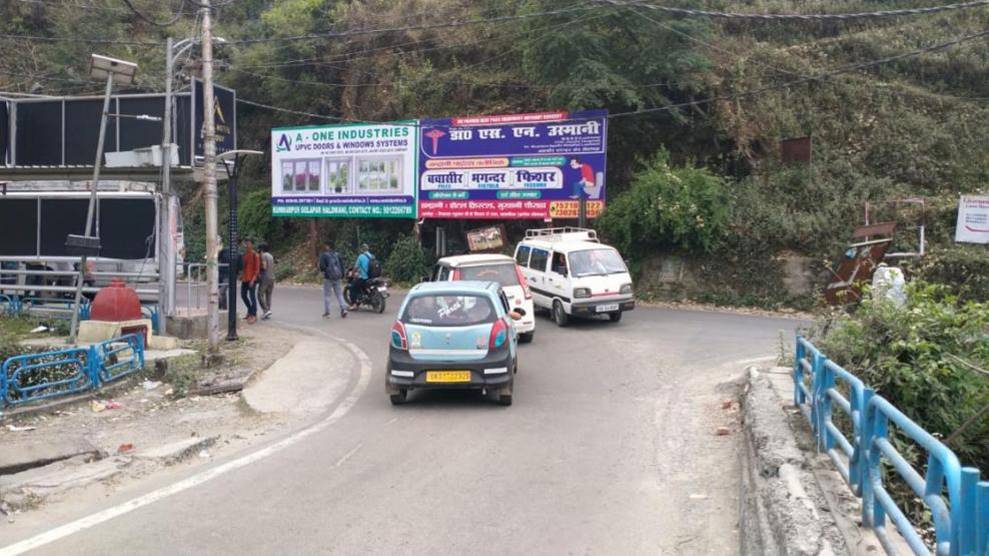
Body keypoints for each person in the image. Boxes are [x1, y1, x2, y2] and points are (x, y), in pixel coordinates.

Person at [318, 241, 348, 319]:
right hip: (337, 277)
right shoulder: (336, 254)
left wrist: (325, 271)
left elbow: (322, 267)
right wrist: (342, 275)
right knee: (339, 294)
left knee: (327, 295)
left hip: (328, 278)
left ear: (326, 246)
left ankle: (327, 313)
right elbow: (342, 265)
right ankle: (344, 309)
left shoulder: (324, 255)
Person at [240, 239, 260, 324]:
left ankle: (254, 315)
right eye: (246, 243)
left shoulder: (255, 255)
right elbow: (242, 267)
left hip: (252, 279)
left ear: (252, 245)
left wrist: (253, 279)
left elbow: (257, 269)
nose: (247, 245)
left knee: (252, 297)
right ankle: (250, 310)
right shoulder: (244, 255)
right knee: (243, 295)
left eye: (248, 243)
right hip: (244, 278)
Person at [348, 243, 374, 310]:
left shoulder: (361, 256)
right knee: (362, 286)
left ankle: (354, 304)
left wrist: (353, 274)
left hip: (364, 277)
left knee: (352, 287)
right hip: (372, 277)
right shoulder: (371, 256)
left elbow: (356, 267)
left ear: (362, 249)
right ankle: (364, 299)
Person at [258, 243, 275, 320]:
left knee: (260, 294)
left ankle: (266, 310)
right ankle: (268, 311)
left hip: (265, 277)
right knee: (268, 295)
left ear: (261, 249)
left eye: (259, 249)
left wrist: (259, 268)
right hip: (272, 277)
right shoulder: (270, 256)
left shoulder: (264, 255)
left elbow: (264, 266)